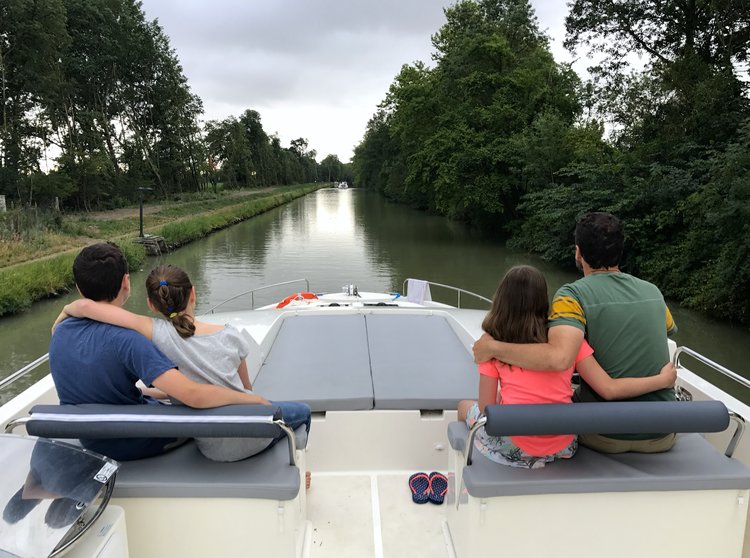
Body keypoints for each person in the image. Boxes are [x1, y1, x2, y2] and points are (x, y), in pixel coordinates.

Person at [53, 258, 311, 463]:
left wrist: (69, 310)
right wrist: (255, 400)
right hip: (251, 431)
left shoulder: (156, 334)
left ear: (152, 305)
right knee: (303, 412)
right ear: (193, 294)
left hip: (210, 448)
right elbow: (235, 391)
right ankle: (300, 462)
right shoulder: (231, 335)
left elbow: (90, 309)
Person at [473, 213, 678, 454]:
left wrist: (493, 348)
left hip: (604, 433)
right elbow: (668, 330)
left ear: (578, 252)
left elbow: (560, 358)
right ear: (620, 251)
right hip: (665, 429)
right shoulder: (653, 292)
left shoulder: (572, 296)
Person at [458, 265, 675, 468]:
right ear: (544, 300)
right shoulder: (568, 341)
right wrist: (663, 380)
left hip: (514, 445)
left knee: (464, 406)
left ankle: (463, 463)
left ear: (501, 301)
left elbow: (488, 411)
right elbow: (608, 387)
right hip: (564, 445)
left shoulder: (491, 344)